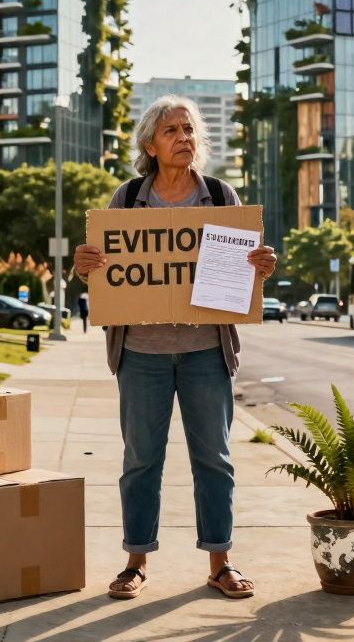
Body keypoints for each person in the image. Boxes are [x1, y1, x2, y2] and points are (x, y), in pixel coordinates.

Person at [73, 94, 277, 601]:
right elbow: (102, 272)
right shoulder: (127, 200)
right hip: (141, 354)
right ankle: (135, 562)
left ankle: (220, 563)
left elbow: (243, 269)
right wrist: (85, 266)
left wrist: (261, 267)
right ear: (150, 145)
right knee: (141, 461)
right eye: (172, 131)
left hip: (207, 351)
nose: (184, 138)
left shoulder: (220, 195)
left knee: (215, 460)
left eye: (189, 130)